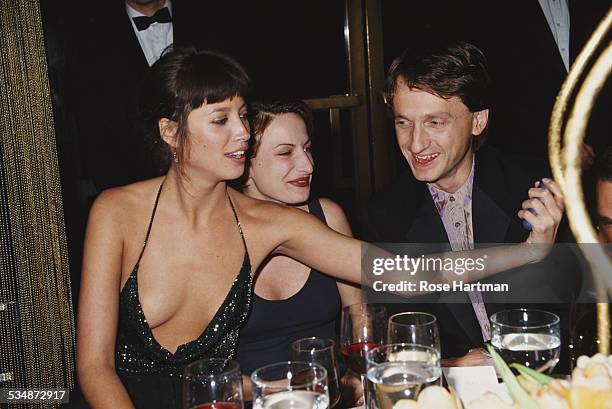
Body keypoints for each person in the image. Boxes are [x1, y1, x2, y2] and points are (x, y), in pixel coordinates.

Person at [76, 46, 564, 409]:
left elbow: (404, 274)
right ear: (171, 133)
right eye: (221, 120)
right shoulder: (116, 212)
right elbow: (94, 368)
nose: (243, 133)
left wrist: (528, 252)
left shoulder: (270, 223)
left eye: (243, 117)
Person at [361, 40, 580, 365]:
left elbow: (575, 313)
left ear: (478, 121)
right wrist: (456, 366)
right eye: (403, 122)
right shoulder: (382, 217)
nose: (416, 144)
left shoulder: (534, 186)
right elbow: (397, 350)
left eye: (435, 122)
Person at [233, 99, 362, 402]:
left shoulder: (327, 216)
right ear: (245, 165)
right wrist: (290, 390)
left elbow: (358, 316)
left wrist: (358, 375)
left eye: (307, 148)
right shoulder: (219, 235)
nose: (308, 165)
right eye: (285, 153)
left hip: (331, 397)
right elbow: (196, 371)